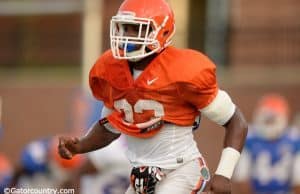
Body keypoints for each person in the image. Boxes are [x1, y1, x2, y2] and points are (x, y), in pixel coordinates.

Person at [58, 0, 248, 193]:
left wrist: (224, 174)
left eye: (135, 29)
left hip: (181, 171)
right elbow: (110, 126)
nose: (127, 36)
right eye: (124, 28)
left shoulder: (183, 70)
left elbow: (236, 122)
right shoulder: (111, 70)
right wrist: (80, 146)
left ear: (161, 32)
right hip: (142, 176)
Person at [233, 94, 300, 194]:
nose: (269, 123)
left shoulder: (294, 139)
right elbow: (242, 179)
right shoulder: (250, 138)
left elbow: (297, 180)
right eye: (267, 120)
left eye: (272, 120)